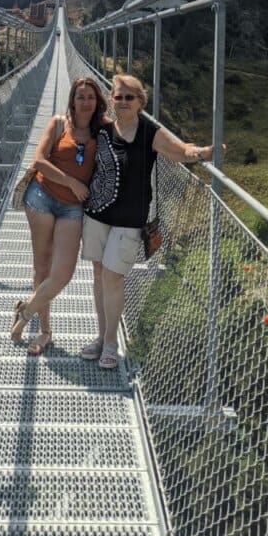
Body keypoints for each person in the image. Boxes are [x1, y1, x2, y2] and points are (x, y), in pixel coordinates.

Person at [81, 73, 215, 370]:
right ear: (111, 100)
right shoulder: (102, 128)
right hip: (97, 213)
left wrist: (203, 152)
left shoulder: (148, 131)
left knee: (112, 277)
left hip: (129, 220)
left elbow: (180, 152)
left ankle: (111, 344)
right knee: (99, 276)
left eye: (130, 97)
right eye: (118, 96)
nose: (124, 102)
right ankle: (101, 336)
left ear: (141, 102)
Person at [10, 76, 108, 353]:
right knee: (42, 265)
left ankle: (24, 312)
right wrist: (72, 182)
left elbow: (133, 130)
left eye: (90, 97)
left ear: (97, 101)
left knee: (62, 272)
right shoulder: (57, 124)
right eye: (80, 96)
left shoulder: (103, 130)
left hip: (73, 207)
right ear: (72, 100)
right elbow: (38, 160)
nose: (86, 101)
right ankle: (44, 331)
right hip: (42, 197)